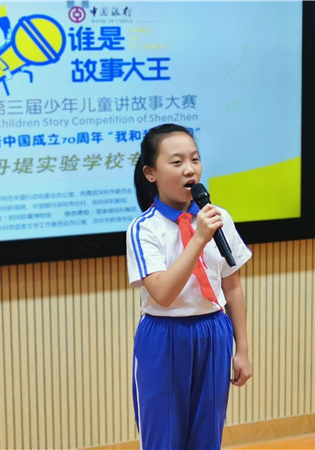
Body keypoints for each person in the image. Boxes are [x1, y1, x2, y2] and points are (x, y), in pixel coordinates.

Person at [126, 123, 253, 449]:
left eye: (195, 159)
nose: (190, 169)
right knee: (164, 438)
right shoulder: (144, 229)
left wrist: (242, 350)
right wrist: (198, 239)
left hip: (214, 332)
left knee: (207, 437)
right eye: (177, 162)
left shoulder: (218, 217)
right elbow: (163, 294)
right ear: (150, 173)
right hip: (164, 335)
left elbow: (232, 286)